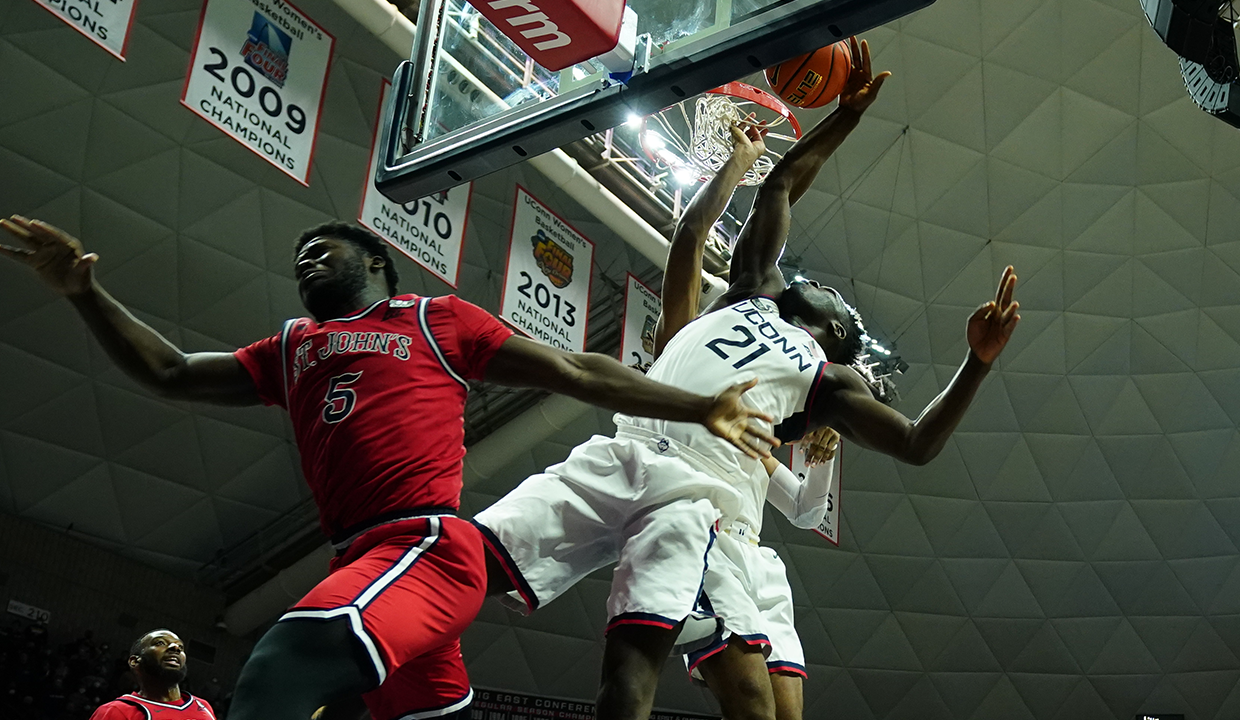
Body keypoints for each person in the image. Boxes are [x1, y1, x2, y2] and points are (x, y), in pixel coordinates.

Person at [0, 217, 778, 720]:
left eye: (324, 247)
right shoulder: (291, 347)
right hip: (369, 562)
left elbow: (574, 369)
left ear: (377, 261)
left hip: (425, 548)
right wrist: (85, 291)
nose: (306, 258)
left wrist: (695, 406)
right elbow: (170, 371)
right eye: (299, 255)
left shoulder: (434, 320)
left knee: (280, 665)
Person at [478, 34, 1019, 720]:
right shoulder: (752, 291)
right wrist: (840, 119)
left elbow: (915, 444)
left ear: (842, 333)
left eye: (833, 296)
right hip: (643, 450)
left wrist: (977, 362)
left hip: (714, 503)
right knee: (485, 565)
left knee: (744, 702)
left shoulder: (832, 382)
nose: (819, 285)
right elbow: (783, 183)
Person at [650, 118, 838, 720]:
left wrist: (822, 457)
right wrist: (741, 162)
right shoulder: (681, 339)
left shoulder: (763, 410)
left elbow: (808, 510)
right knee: (753, 708)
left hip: (752, 553)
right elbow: (691, 236)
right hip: (693, 524)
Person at [89, 629, 217, 720]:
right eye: (160, 643)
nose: (175, 647)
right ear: (134, 661)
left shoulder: (202, 706)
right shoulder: (116, 712)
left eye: (180, 647)